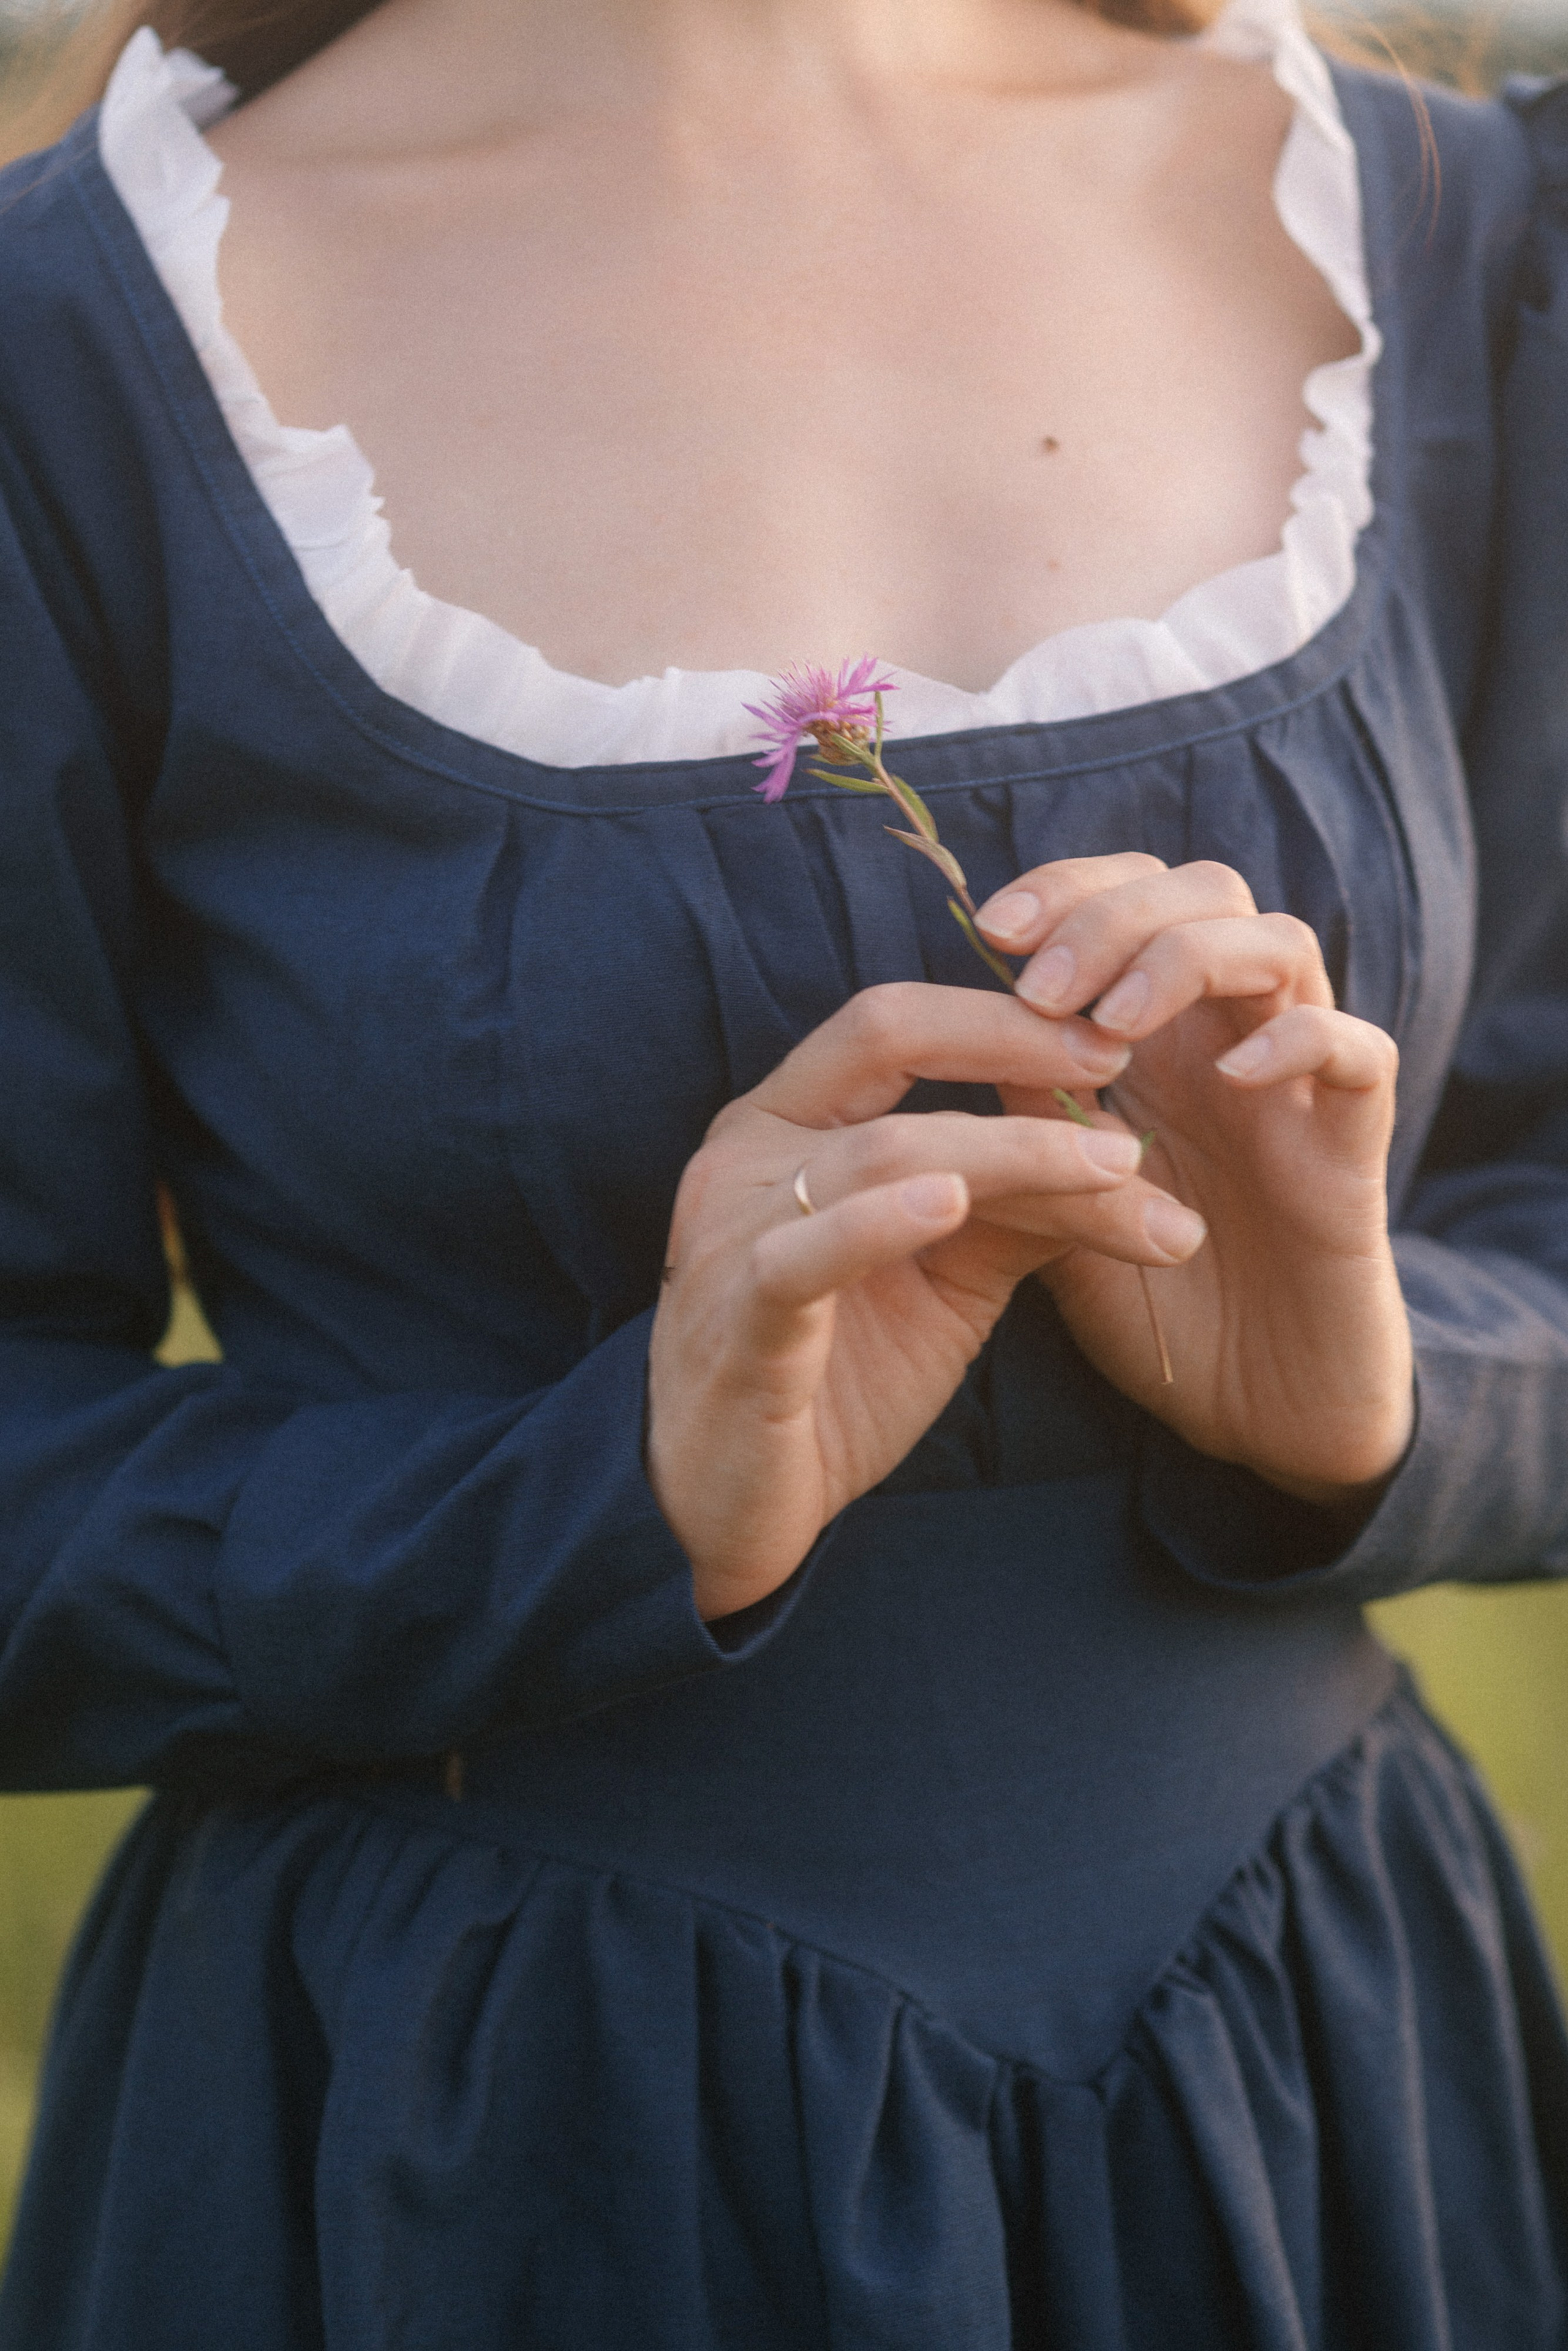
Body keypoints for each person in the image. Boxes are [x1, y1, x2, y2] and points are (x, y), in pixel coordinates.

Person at [0, 0, 1565, 2336]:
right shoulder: (70, 339)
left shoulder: (1464, 236)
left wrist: (1379, 1386)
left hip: (1314, 2099)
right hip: (489, 2150)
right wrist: (592, 1497)